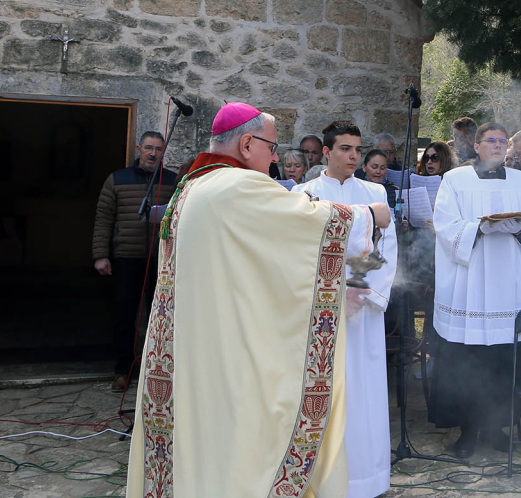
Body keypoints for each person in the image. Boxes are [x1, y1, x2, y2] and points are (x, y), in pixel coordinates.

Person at [125, 104, 391, 498]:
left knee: (197, 439)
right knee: (240, 436)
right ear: (247, 143)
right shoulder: (239, 186)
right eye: (271, 146)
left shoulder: (193, 185)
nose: (275, 157)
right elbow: (306, 224)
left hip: (191, 343)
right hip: (227, 345)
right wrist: (369, 215)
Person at [429, 122, 521, 458]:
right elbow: (445, 225)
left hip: (509, 283)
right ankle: (467, 430)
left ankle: (495, 427)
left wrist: (519, 229)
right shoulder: (455, 180)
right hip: (470, 281)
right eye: (490, 140)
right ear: (477, 146)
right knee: (468, 357)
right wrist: (480, 228)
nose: (497, 145)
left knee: (501, 358)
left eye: (501, 141)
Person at [296, 121, 399, 498]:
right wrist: (337, 291)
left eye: (357, 149)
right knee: (323, 391)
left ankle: (366, 480)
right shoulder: (304, 194)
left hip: (362, 310)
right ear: (326, 152)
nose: (354, 156)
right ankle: (320, 480)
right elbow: (300, 251)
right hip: (321, 311)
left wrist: (358, 289)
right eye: (345, 148)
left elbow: (386, 247)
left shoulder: (374, 192)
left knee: (363, 393)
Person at [92, 130, 178, 390]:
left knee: (160, 316)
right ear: (138, 149)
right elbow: (104, 218)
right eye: (149, 148)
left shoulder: (173, 181)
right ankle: (123, 370)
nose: (153, 154)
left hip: (160, 259)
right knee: (124, 315)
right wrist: (100, 255)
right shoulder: (117, 179)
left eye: (158, 149)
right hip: (126, 257)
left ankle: (157, 369)